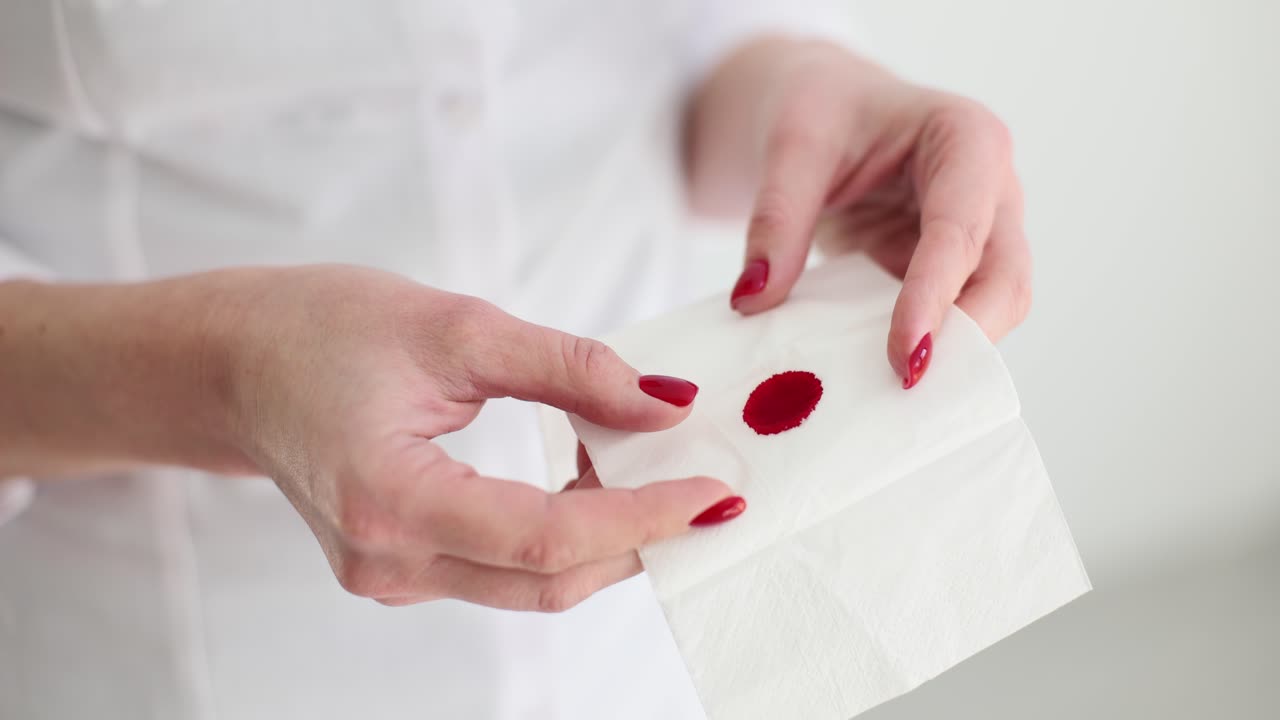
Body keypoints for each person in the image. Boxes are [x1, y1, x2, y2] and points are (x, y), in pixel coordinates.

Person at [0, 1, 1030, 717]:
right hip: (187, 663)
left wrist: (811, 99)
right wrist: (225, 376)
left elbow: (685, 36)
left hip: (645, 662)